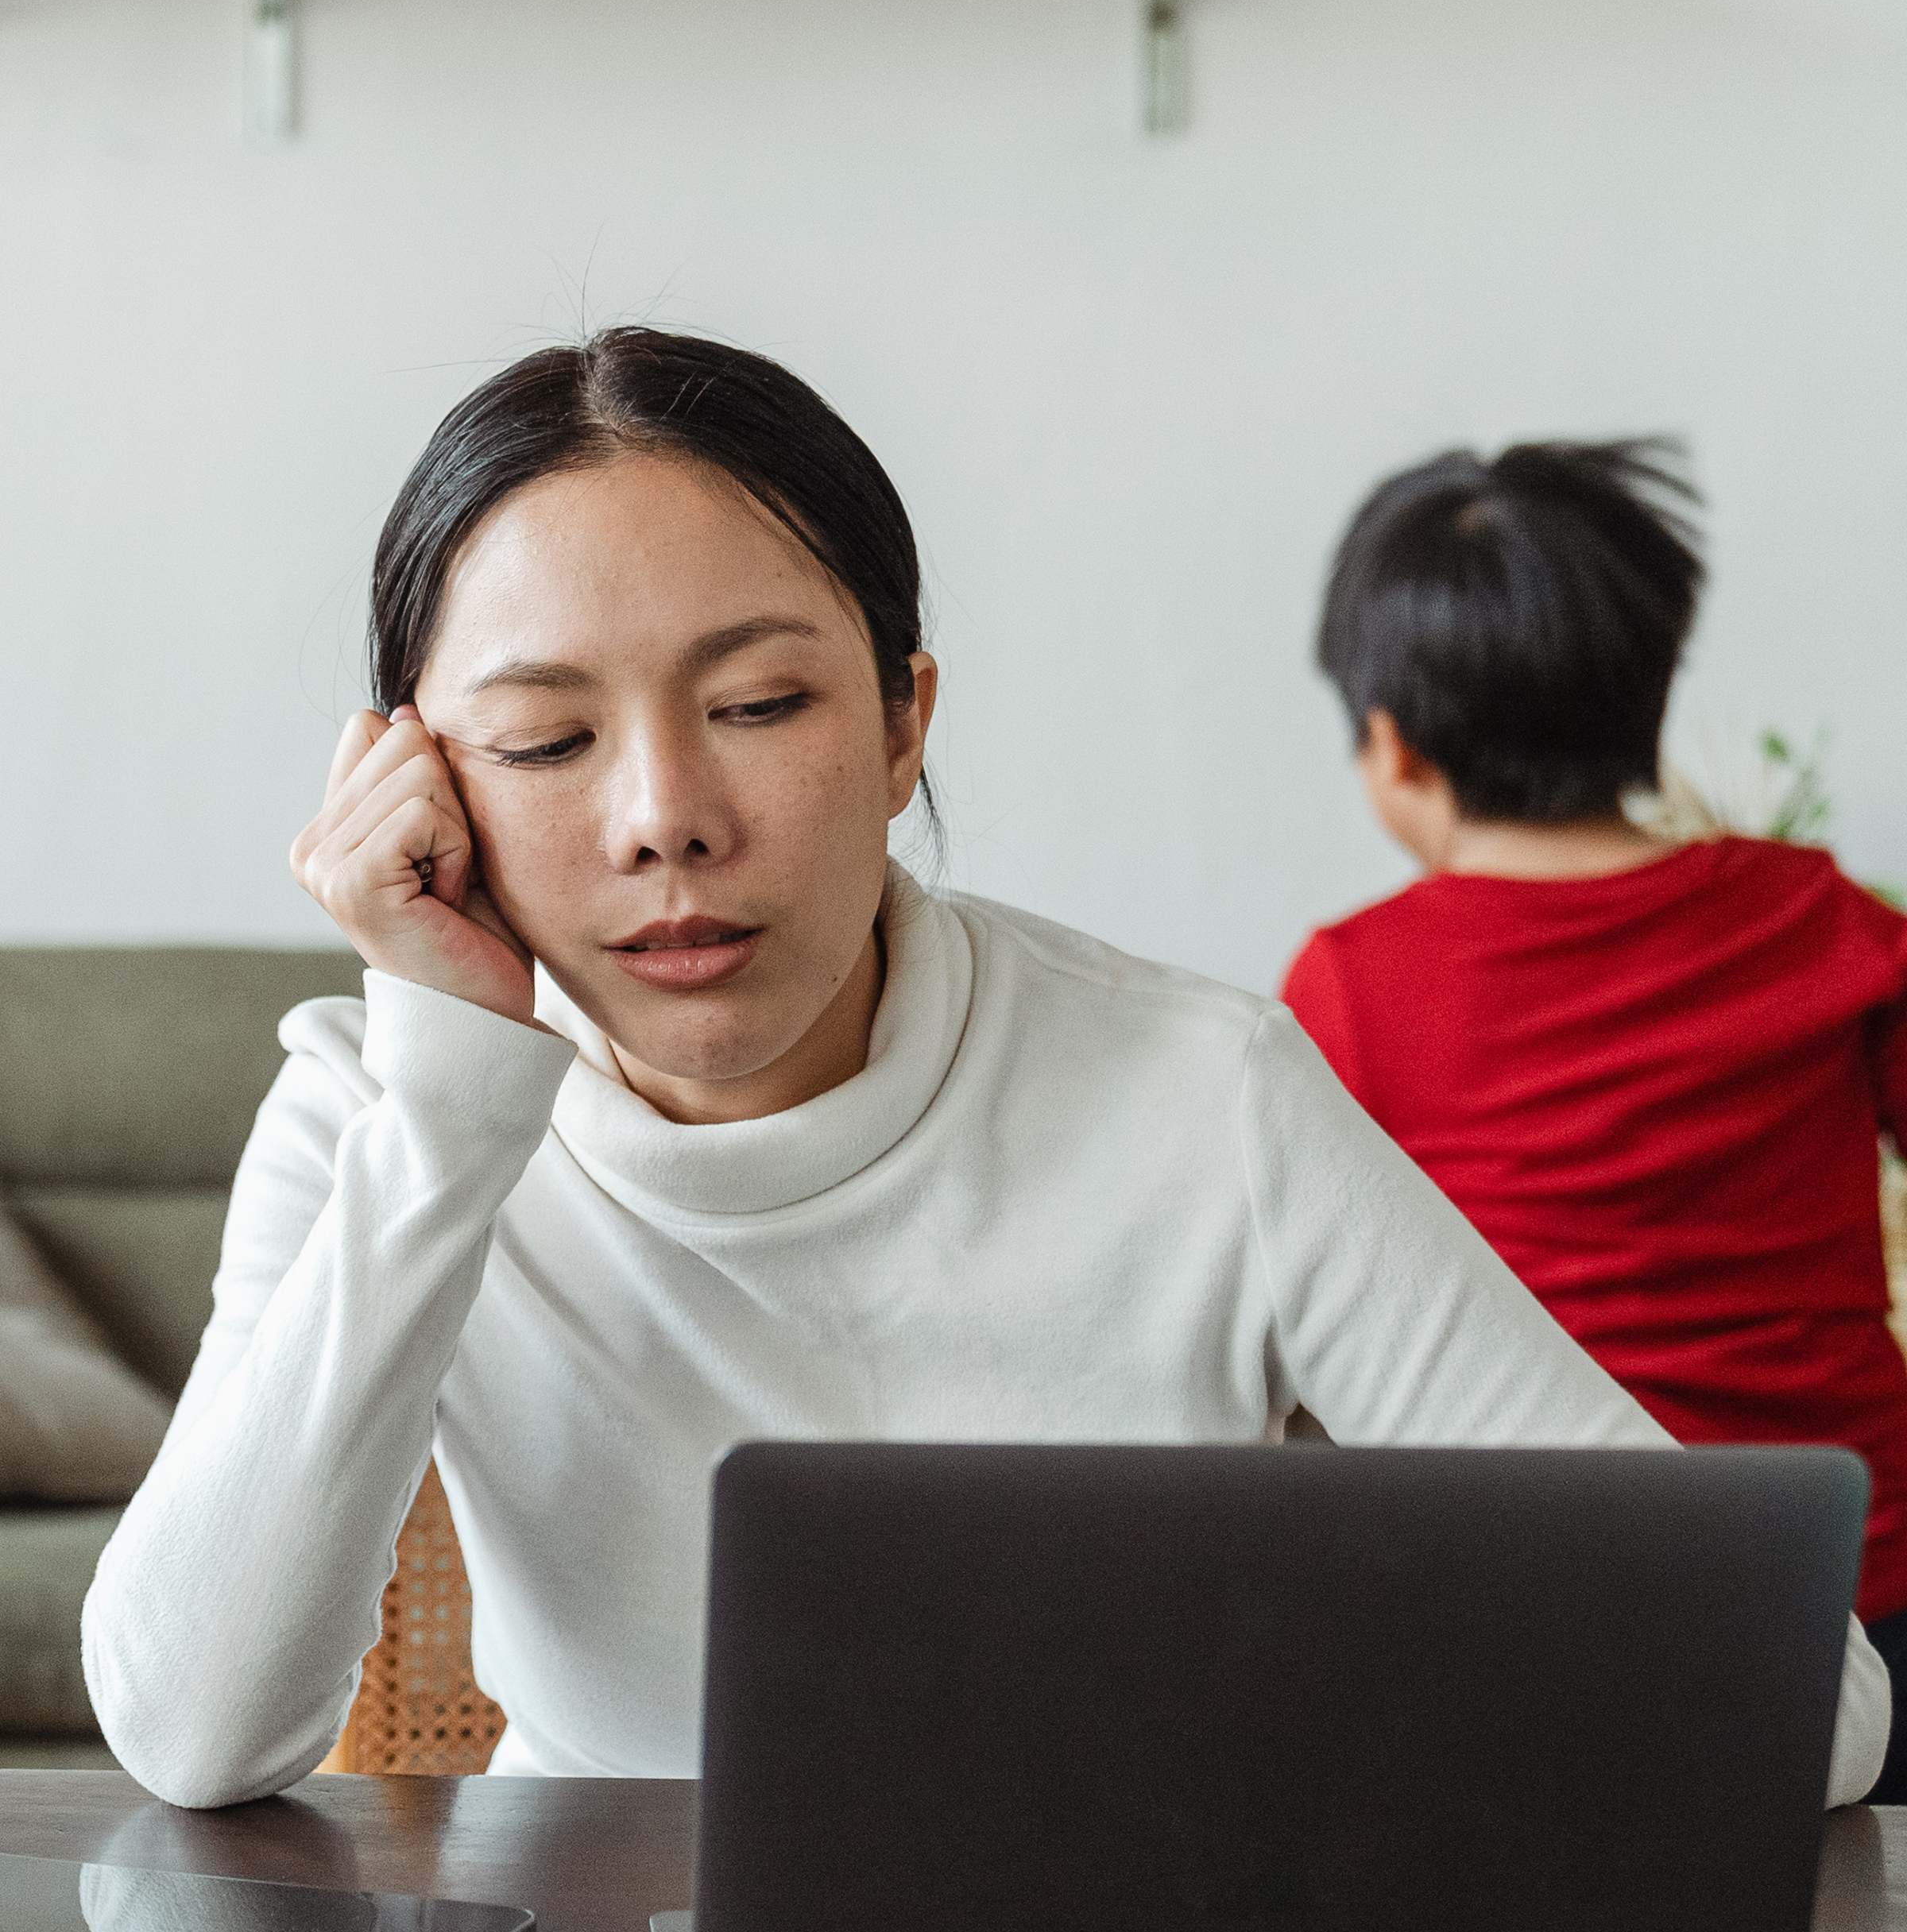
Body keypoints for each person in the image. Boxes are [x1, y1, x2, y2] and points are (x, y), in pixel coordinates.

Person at [82, 346, 1889, 1809]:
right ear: (420, 785)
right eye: (547, 740)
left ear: (902, 727)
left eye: (765, 705)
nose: (664, 822)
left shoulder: (1207, 1094)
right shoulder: (374, 1109)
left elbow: (1805, 1710)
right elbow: (190, 1733)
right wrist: (451, 1099)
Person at [1282, 437, 1907, 1799]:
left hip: (1545, 1609)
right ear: (1651, 694)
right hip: (1864, 1585)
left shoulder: (1351, 984)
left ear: (1392, 742)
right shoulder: (1820, 919)